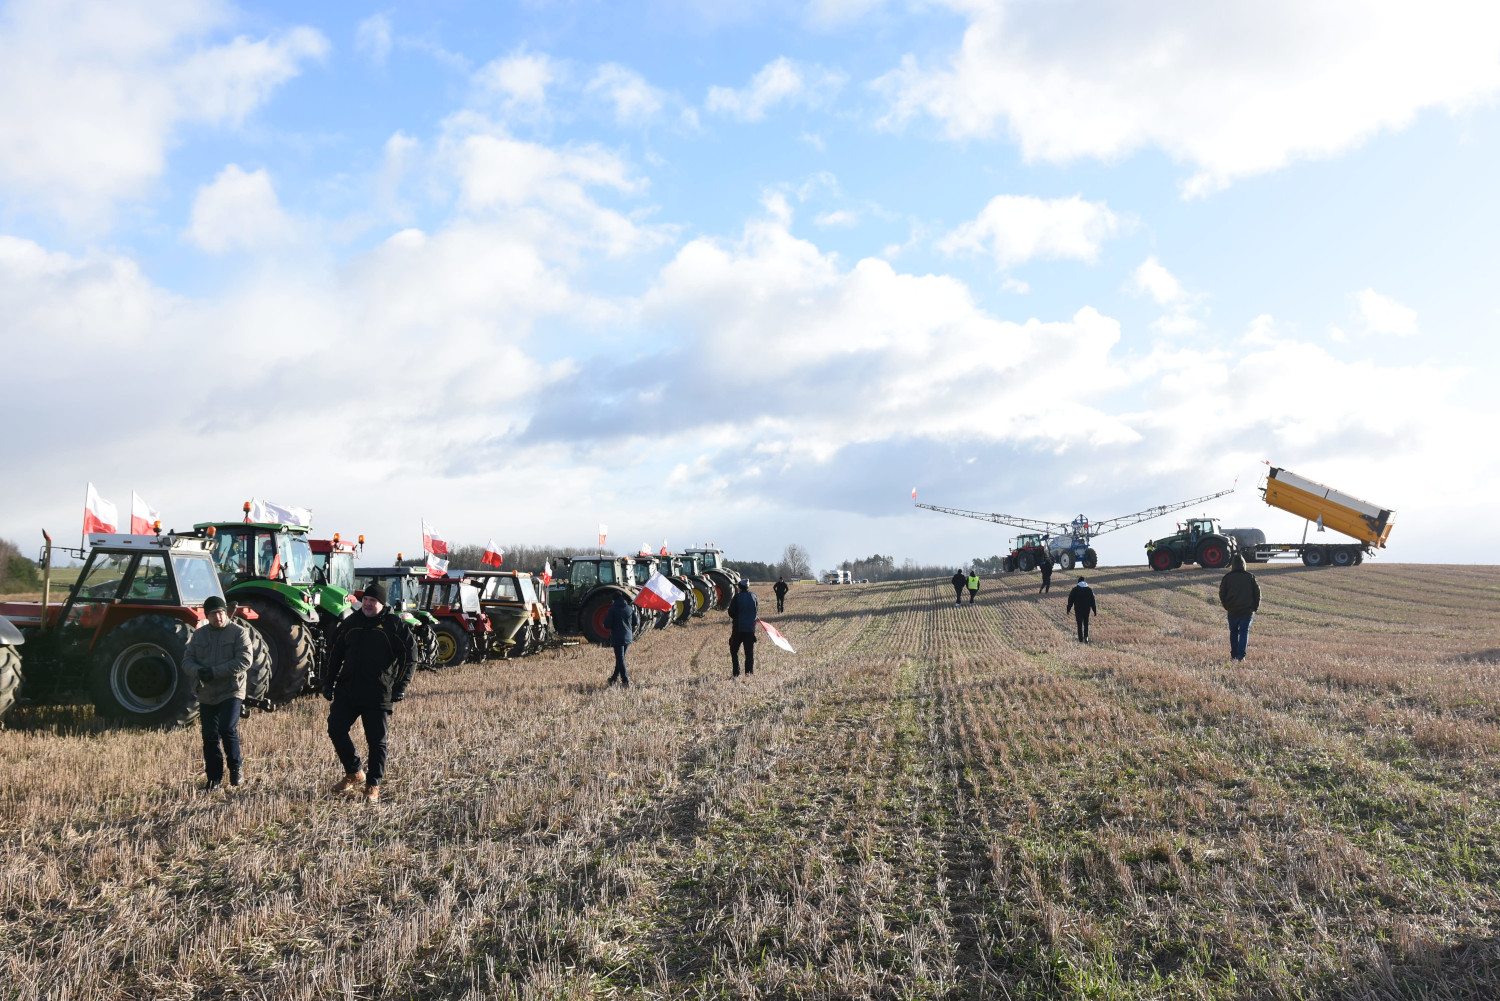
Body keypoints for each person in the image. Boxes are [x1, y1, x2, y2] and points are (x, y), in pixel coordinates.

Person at [322, 580, 417, 803]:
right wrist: (328, 682)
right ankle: (354, 772)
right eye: (365, 599)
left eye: (372, 600)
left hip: (378, 691)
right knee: (335, 728)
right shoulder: (351, 623)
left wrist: (400, 686)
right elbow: (334, 653)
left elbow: (410, 656)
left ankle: (373, 784)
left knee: (376, 741)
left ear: (381, 603)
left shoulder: (394, 625)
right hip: (348, 688)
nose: (367, 603)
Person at [185, 594, 252, 790]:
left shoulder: (239, 633)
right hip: (207, 692)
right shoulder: (199, 635)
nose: (218, 617)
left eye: (221, 612)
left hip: (231, 690)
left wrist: (214, 672)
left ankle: (235, 768)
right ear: (207, 616)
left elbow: (244, 661)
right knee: (209, 736)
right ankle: (214, 779)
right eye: (213, 614)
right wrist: (198, 672)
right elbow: (187, 661)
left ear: (226, 613)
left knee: (227, 729)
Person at [1218, 553, 1261, 661]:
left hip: (1232, 610)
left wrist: (1227, 606)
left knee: (1233, 632)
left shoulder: (1227, 578)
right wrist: (1254, 608)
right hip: (1247, 611)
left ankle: (1233, 655)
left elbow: (1222, 594)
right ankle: (1241, 656)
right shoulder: (1250, 577)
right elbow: (1257, 594)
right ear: (1244, 564)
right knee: (1244, 632)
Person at [728, 579, 759, 677]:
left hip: (738, 629)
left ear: (740, 587)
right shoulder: (754, 596)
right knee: (749, 653)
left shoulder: (736, 597)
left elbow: (731, 612)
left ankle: (736, 673)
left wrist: (737, 617)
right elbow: (756, 611)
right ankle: (749, 673)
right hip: (750, 629)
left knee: (733, 650)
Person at [604, 592, 634, 687]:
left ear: (614, 600)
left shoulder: (612, 609)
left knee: (620, 659)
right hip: (628, 636)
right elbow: (636, 621)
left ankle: (625, 681)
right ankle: (614, 678)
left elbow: (607, 624)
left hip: (618, 637)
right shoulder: (629, 608)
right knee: (620, 659)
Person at [1065, 577, 1097, 643]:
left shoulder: (1075, 590)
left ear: (1078, 582)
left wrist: (1068, 609)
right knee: (1086, 624)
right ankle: (1086, 637)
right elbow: (1093, 601)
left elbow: (1070, 600)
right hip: (1087, 609)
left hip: (1078, 609)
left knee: (1079, 624)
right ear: (1084, 582)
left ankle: (1080, 639)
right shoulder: (1089, 590)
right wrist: (1094, 610)